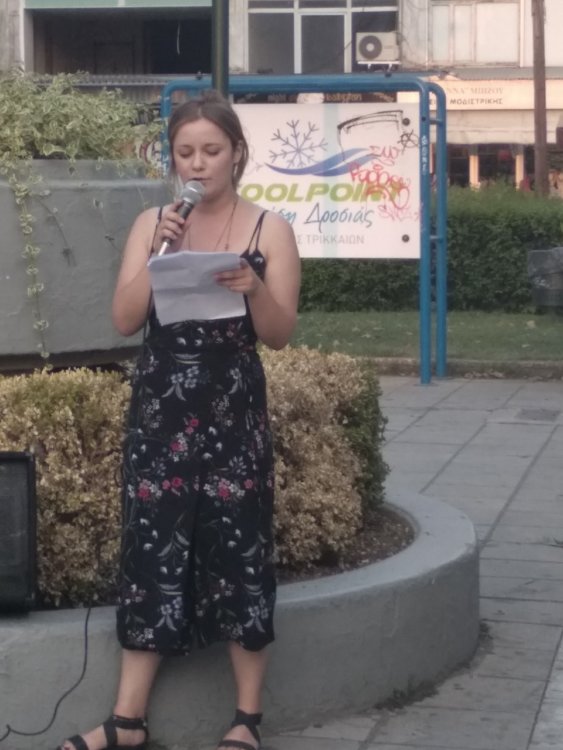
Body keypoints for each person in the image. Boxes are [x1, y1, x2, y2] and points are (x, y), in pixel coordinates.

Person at [57, 90, 301, 750]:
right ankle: (127, 721)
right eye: (185, 152)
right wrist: (158, 257)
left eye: (211, 151)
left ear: (237, 154)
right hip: (162, 414)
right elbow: (123, 319)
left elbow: (279, 334)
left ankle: (246, 720)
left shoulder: (269, 230)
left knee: (239, 551)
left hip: (233, 414)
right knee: (152, 551)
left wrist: (253, 289)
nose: (198, 164)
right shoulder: (152, 224)